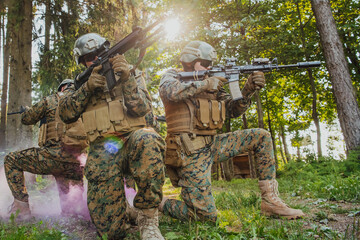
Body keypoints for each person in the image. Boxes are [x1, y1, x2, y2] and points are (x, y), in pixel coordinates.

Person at [158, 40, 305, 222]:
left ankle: (270, 202)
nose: (209, 66)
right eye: (204, 63)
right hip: (188, 151)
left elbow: (232, 110)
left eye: (211, 64)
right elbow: (169, 92)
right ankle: (157, 201)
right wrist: (206, 84)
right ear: (189, 61)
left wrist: (248, 90)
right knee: (204, 217)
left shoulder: (212, 86)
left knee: (261, 136)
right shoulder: (173, 76)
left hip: (213, 145)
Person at [58, 33, 165, 240]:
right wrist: (87, 89)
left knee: (148, 137)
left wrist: (126, 79)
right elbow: (65, 114)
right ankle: (123, 209)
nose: (96, 59)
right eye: (89, 57)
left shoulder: (130, 73)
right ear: (82, 62)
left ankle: (148, 219)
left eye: (100, 53)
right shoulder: (79, 84)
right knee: (111, 233)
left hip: (133, 141)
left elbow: (143, 109)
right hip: (102, 152)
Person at [4, 79, 88, 220]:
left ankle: (21, 207)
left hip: (52, 158)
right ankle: (77, 213)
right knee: (72, 210)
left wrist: (26, 111)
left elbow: (28, 119)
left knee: (11, 159)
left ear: (61, 89)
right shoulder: (84, 103)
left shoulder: (51, 100)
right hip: (77, 164)